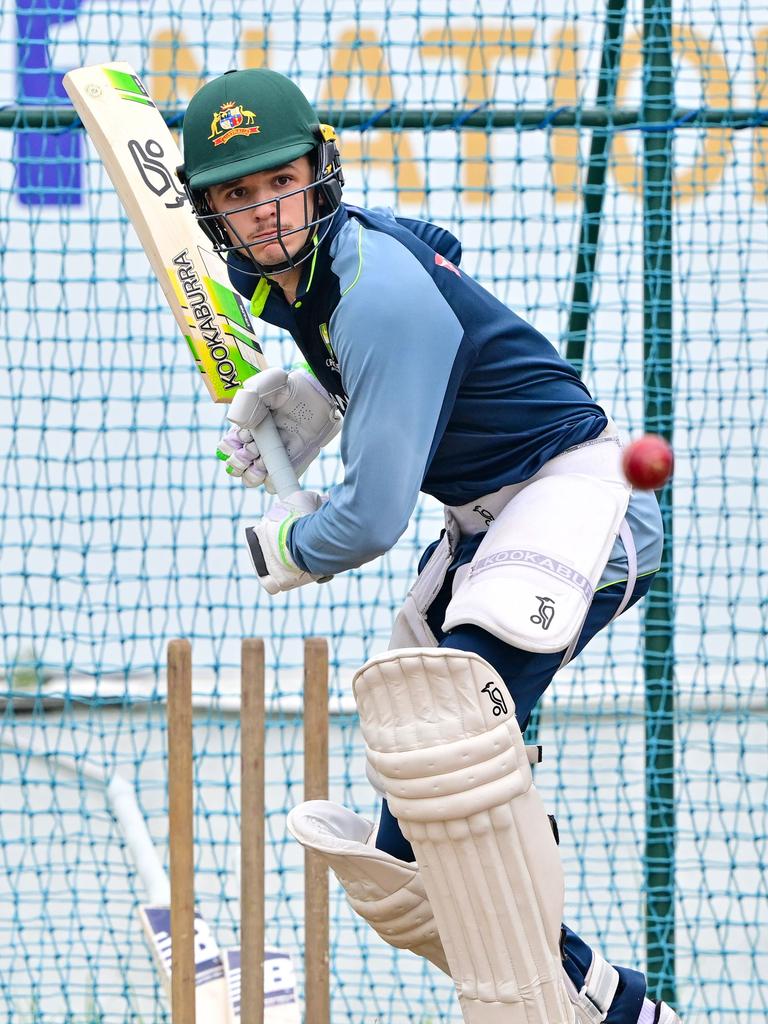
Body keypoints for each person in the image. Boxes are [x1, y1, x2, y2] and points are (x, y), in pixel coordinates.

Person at [180, 68, 676, 1024]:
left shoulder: (375, 296)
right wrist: (320, 407)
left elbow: (367, 519)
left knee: (449, 747)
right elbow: (439, 302)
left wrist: (290, 539)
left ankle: (600, 1007)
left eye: (277, 179)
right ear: (213, 213)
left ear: (318, 171)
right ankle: (608, 999)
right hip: (488, 523)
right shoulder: (306, 275)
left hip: (580, 509)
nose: (263, 209)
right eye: (236, 194)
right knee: (415, 816)